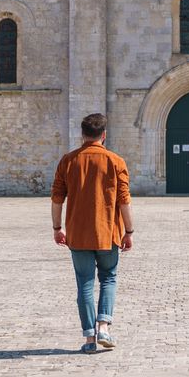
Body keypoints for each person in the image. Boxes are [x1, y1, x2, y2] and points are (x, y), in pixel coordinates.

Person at [51, 113, 134, 354]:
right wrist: (129, 231)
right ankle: (104, 327)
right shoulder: (115, 161)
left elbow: (57, 198)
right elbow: (124, 201)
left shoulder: (68, 161)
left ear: (82, 134)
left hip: (78, 233)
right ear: (104, 135)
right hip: (108, 232)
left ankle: (89, 339)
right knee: (108, 277)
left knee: (84, 284)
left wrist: (57, 228)